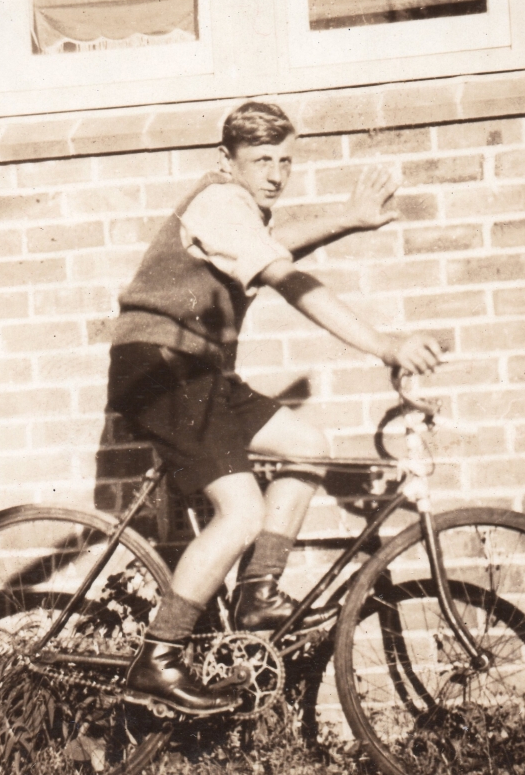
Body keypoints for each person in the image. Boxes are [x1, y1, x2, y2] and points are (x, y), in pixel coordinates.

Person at [108, 101, 442, 715]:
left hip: (199, 370)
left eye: (286, 160)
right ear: (226, 160)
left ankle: (257, 593)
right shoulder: (216, 202)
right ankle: (157, 658)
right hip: (162, 369)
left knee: (307, 447)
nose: (276, 173)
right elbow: (285, 276)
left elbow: (269, 244)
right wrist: (384, 345)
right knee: (239, 513)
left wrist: (347, 219)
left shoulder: (237, 213)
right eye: (262, 160)